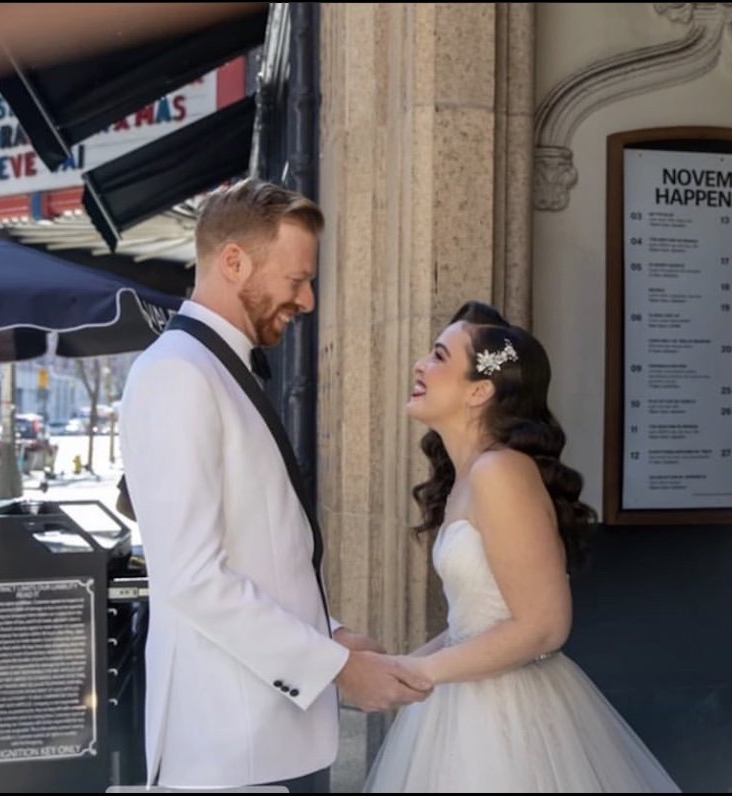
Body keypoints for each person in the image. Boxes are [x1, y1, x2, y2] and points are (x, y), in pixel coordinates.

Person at [119, 178, 432, 792]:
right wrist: (337, 667)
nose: (309, 300)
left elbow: (258, 552)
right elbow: (191, 579)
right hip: (230, 747)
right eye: (296, 281)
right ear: (233, 261)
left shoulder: (212, 367)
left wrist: (329, 630)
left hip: (269, 739)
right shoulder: (175, 375)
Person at [363, 301, 680, 792]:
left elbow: (544, 626)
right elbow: (471, 623)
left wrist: (419, 670)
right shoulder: (468, 476)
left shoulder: (501, 472)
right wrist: (397, 669)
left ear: (481, 390)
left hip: (508, 718)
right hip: (466, 702)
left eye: (439, 356)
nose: (419, 365)